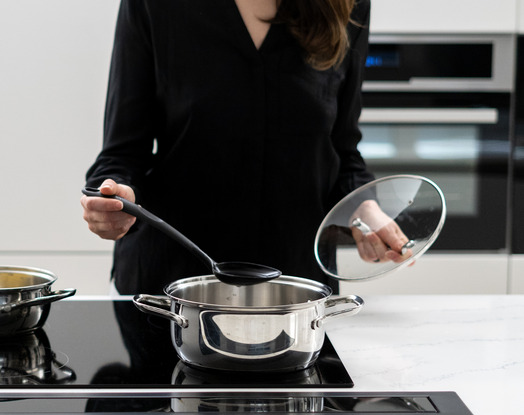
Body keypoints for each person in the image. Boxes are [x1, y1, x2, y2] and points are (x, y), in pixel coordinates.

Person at [81, 0, 408, 295]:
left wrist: (363, 205)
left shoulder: (348, 5)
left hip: (294, 296)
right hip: (169, 293)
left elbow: (343, 151)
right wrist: (113, 199)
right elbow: (122, 153)